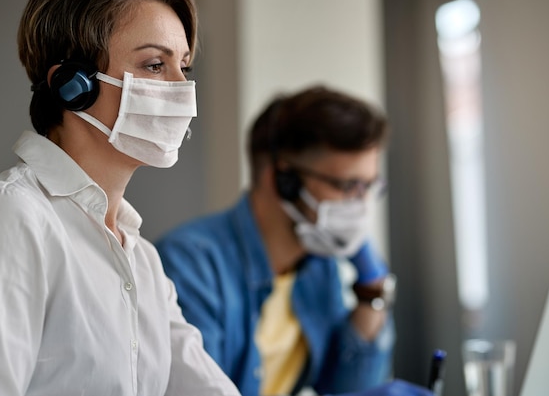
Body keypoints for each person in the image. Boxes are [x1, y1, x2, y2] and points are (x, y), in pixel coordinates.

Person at [0, 0, 240, 395]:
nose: (182, 88)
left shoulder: (142, 260)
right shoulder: (9, 220)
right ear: (73, 85)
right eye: (155, 64)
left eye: (184, 67)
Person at [155, 86, 405, 396]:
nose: (361, 205)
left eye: (368, 187)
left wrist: (371, 290)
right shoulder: (191, 265)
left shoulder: (319, 266)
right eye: (348, 186)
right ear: (284, 181)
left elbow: (347, 388)